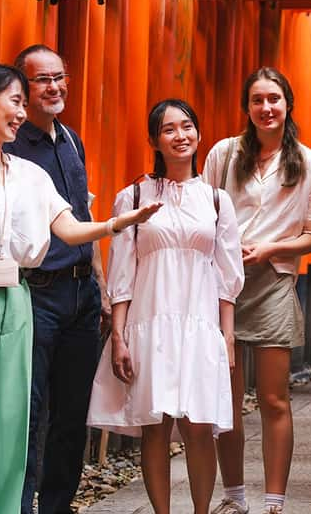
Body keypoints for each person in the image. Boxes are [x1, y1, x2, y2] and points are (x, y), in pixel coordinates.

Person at [0, 63, 159, 514]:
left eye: (24, 103)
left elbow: (69, 228)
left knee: (10, 427)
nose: (22, 113)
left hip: (18, 301)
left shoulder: (29, 175)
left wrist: (120, 224)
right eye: (16, 101)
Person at [87, 98, 245, 514]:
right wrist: (118, 338)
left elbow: (227, 278)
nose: (181, 136)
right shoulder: (133, 196)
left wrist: (227, 338)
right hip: (149, 322)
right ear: (154, 140)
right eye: (169, 129)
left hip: (199, 323)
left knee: (199, 426)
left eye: (187, 126)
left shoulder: (216, 200)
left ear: (198, 133)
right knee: (154, 428)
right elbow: (121, 274)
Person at [202, 67, 311, 514]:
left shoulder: (309, 163)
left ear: (287, 104)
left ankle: (274, 501)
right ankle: (234, 497)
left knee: (275, 398)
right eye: (257, 100)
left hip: (274, 280)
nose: (266, 108)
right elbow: (205, 213)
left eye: (274, 99)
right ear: (247, 107)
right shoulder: (223, 154)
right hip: (224, 285)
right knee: (228, 398)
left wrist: (273, 246)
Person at [3, 44, 109, 514]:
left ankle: (58, 505)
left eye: (59, 77)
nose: (55, 87)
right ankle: (22, 504)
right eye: (43, 79)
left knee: (72, 413)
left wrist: (100, 286)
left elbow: (82, 216)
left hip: (81, 292)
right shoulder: (10, 145)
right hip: (39, 292)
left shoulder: (71, 139)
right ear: (23, 89)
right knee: (29, 409)